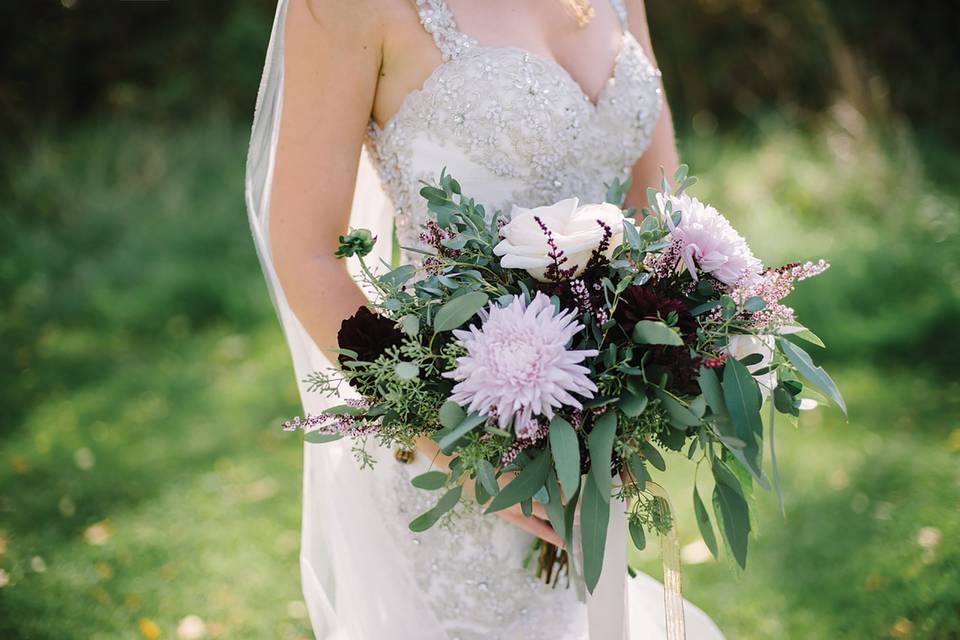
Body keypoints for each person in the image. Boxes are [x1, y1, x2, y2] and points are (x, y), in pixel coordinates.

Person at [246, 1, 726, 637]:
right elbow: (306, 252)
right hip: (455, 463)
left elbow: (654, 206)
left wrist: (640, 385)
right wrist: (463, 448)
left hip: (593, 442)